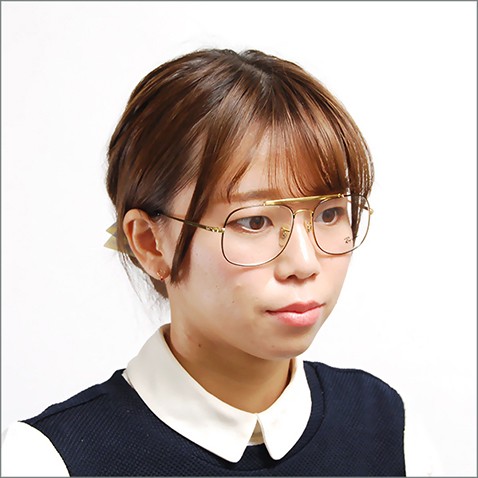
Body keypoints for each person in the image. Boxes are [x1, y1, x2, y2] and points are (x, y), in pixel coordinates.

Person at [2, 48, 406, 476]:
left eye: (329, 214)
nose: (304, 263)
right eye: (254, 221)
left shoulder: (387, 426)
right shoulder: (47, 460)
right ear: (151, 244)